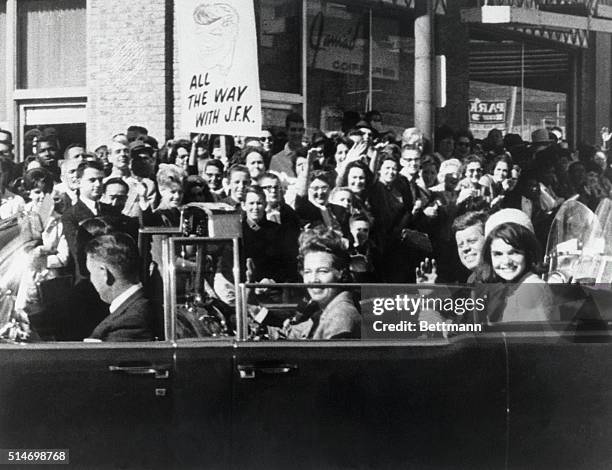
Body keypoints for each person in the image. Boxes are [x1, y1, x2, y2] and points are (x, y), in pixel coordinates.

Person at [253, 227, 361, 340]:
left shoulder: (341, 316)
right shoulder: (321, 308)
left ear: (340, 273)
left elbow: (322, 356)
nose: (314, 279)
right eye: (308, 272)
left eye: (322, 271)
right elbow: (296, 333)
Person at [477, 219, 554, 323]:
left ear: (528, 253)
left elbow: (528, 337)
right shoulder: (512, 287)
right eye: (498, 254)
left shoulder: (532, 288)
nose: (506, 261)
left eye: (514, 252)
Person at [85, 233, 155, 341]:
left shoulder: (130, 322)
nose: (90, 279)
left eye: (91, 272)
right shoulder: (136, 306)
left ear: (104, 272)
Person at [269, 112, 305, 180]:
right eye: (293, 130)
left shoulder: (309, 155)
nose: (297, 133)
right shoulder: (276, 159)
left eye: (300, 130)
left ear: (304, 131)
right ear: (286, 131)